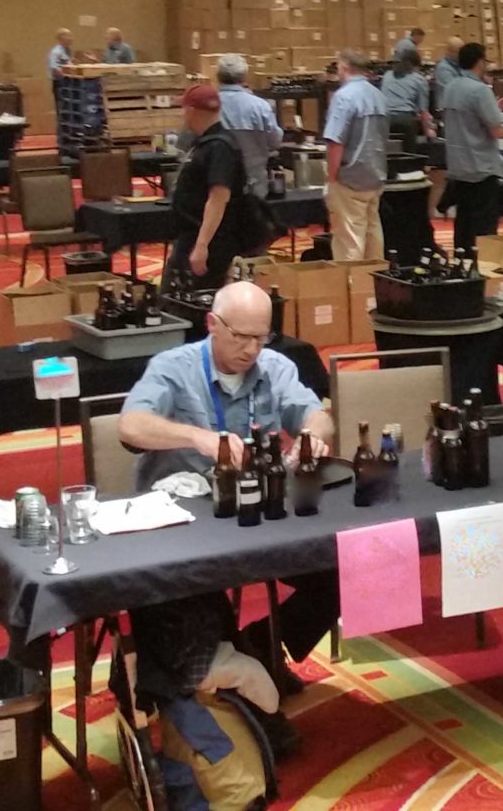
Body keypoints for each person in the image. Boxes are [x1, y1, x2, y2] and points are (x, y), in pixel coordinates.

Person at [117, 280, 338, 689]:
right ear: (212, 324)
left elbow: (318, 413)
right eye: (242, 337)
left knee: (339, 569)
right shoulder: (173, 367)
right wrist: (198, 438)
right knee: (191, 596)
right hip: (191, 524)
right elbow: (130, 426)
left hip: (258, 512)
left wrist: (311, 434)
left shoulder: (276, 367)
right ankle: (224, 674)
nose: (253, 350)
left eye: (262, 337)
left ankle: (262, 648)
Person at [168, 84, 248, 290]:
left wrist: (202, 246)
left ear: (191, 111)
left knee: (195, 300)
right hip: (192, 236)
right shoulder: (205, 142)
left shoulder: (220, 146)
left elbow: (218, 198)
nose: (182, 115)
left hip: (210, 242)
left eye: (183, 109)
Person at [438, 43, 503, 255]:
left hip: (458, 166)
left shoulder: (451, 87)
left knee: (463, 221)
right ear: (481, 62)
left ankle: (462, 263)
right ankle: (483, 265)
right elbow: (497, 131)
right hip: (481, 166)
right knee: (484, 225)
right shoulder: (480, 90)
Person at [321, 49, 387, 263]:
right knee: (372, 235)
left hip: (349, 178)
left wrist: (331, 178)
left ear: (344, 67)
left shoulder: (343, 97)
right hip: (375, 176)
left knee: (349, 242)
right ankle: (373, 287)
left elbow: (336, 141)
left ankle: (350, 288)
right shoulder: (378, 95)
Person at [214, 55, 282, 198]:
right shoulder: (260, 106)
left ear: (217, 77)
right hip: (254, 185)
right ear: (244, 77)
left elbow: (184, 145)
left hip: (215, 186)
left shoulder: (206, 107)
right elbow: (275, 141)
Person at [378, 53, 435, 139]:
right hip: (406, 121)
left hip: (385, 119)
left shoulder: (387, 75)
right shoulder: (419, 79)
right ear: (415, 66)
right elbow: (424, 112)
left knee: (388, 150)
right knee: (408, 151)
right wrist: (428, 131)